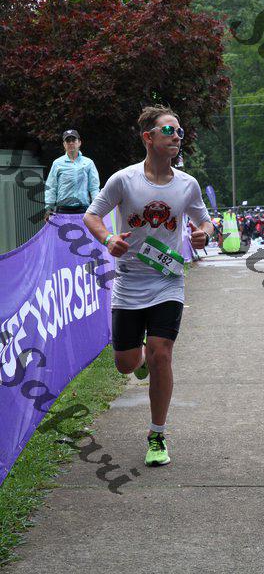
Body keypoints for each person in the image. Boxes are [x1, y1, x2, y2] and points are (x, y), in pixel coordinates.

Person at [83, 105, 214, 467]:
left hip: (167, 281)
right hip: (129, 281)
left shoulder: (187, 184)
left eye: (179, 131)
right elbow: (92, 215)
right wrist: (108, 238)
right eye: (168, 130)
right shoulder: (124, 180)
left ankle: (157, 434)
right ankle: (137, 358)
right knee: (126, 364)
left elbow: (206, 221)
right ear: (148, 137)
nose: (176, 136)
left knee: (162, 354)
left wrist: (204, 234)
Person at [44, 129, 100, 220]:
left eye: (73, 140)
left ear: (79, 143)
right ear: (64, 144)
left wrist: (97, 208)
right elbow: (51, 187)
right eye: (68, 141)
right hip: (62, 210)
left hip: (83, 210)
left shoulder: (89, 163)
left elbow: (94, 188)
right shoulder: (57, 163)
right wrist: (49, 208)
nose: (71, 143)